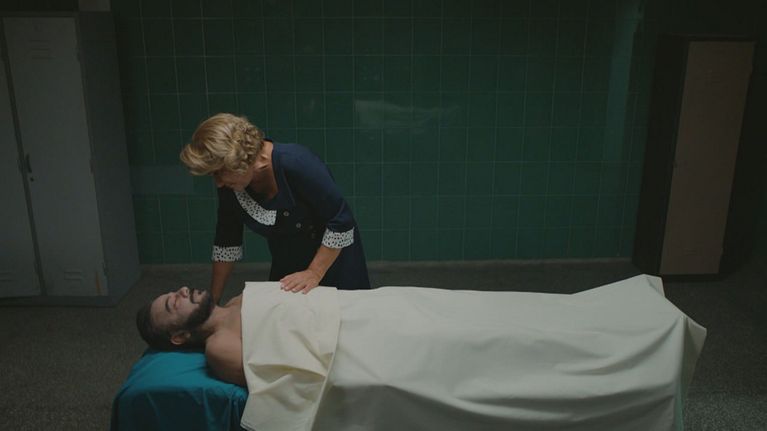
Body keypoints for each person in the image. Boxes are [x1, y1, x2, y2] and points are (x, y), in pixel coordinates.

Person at [136, 278, 706, 431]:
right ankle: (632, 367)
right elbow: (284, 376)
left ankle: (608, 321)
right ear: (178, 338)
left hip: (371, 309)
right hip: (359, 343)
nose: (180, 293)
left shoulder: (236, 301)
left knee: (487, 313)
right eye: (171, 306)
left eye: (173, 292)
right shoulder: (220, 347)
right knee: (480, 344)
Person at [179, 113, 370, 303]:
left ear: (238, 160)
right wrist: (213, 301)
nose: (218, 183)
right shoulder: (231, 186)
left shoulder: (297, 162)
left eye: (219, 172)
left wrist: (314, 272)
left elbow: (340, 220)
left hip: (333, 261)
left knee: (344, 315)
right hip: (287, 267)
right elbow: (226, 241)